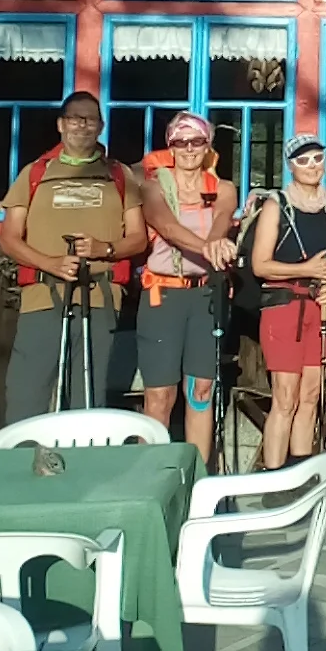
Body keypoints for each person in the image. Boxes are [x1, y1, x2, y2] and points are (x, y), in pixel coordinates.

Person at [0, 90, 147, 420]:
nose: (82, 125)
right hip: (42, 296)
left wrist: (103, 250)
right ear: (60, 125)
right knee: (27, 390)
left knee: (88, 396)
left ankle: (83, 464)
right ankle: (24, 464)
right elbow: (9, 239)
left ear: (101, 125)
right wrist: (49, 262)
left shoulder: (119, 175)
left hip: (101, 297)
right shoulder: (34, 173)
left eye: (90, 118)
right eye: (74, 118)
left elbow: (138, 239)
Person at [137, 113, 238, 464]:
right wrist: (208, 246)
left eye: (197, 141)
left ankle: (198, 480)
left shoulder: (221, 187)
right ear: (171, 146)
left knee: (201, 391)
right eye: (181, 142)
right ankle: (150, 475)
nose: (189, 149)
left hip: (204, 295)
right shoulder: (154, 186)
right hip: (163, 295)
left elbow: (224, 216)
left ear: (207, 145)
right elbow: (166, 225)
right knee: (160, 395)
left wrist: (214, 241)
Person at [250, 134, 326, 471]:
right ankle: (275, 474)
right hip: (284, 306)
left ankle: (300, 472)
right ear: (290, 166)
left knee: (310, 396)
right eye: (303, 160)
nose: (311, 166)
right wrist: (304, 269)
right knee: (285, 396)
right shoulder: (277, 204)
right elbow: (260, 264)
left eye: (317, 158)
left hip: (321, 307)